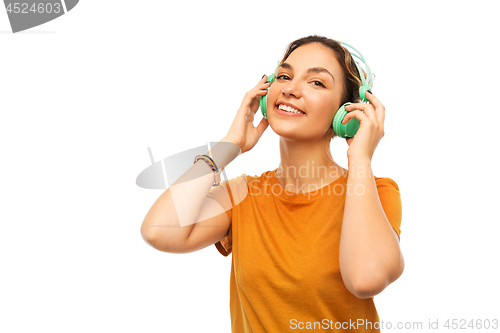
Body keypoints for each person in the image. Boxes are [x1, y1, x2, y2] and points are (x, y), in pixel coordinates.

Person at [141, 35, 404, 332]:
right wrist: (229, 147)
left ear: (347, 113)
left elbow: (365, 279)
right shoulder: (242, 194)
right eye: (284, 76)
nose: (291, 89)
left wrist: (360, 159)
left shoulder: (376, 191)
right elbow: (158, 231)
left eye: (316, 82)